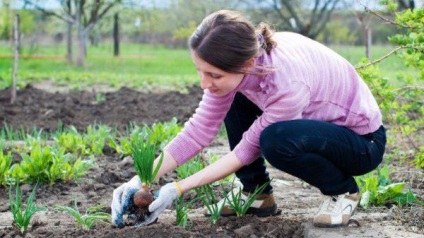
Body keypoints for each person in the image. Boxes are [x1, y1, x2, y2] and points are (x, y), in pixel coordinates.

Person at [111, 9, 386, 228]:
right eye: (200, 70)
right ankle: (257, 194)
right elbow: (198, 131)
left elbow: (245, 150)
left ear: (247, 64)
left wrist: (177, 188)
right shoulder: (242, 62)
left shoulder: (287, 83)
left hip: (361, 143)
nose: (205, 83)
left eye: (214, 75)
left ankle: (342, 191)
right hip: (317, 128)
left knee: (275, 140)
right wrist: (142, 179)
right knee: (235, 94)